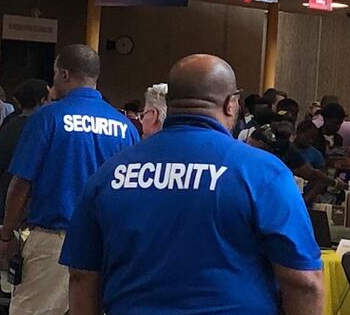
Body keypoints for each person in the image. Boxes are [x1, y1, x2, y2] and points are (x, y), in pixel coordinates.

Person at [61, 54, 324, 315]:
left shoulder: (109, 173)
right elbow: (303, 283)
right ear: (232, 104)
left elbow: (82, 275)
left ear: (170, 103)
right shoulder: (262, 173)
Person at [0, 44, 140, 315]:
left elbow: (21, 184)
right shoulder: (125, 127)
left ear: (63, 74)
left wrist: (6, 236)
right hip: (106, 243)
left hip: (55, 241)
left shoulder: (48, 118)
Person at [0, 79, 49, 224]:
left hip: (6, 202)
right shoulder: (41, 130)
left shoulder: (8, 126)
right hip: (31, 211)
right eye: (51, 99)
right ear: (42, 101)